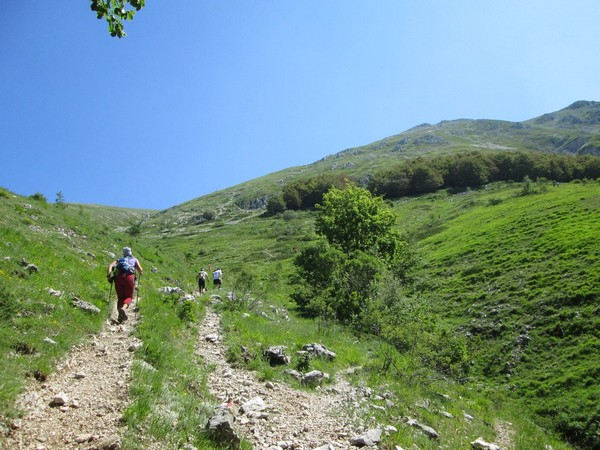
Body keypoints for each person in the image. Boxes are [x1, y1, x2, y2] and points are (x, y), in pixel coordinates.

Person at [107, 247, 143, 323]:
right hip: (129, 277)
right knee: (129, 296)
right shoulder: (135, 260)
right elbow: (140, 270)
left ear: (123, 253)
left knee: (120, 297)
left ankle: (119, 317)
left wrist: (109, 275)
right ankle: (123, 309)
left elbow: (110, 265)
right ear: (131, 253)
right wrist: (140, 273)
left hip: (118, 278)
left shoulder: (120, 260)